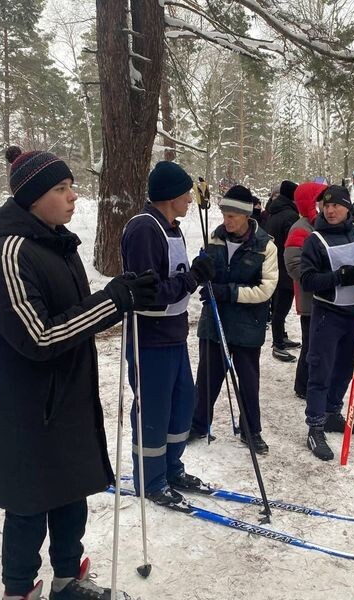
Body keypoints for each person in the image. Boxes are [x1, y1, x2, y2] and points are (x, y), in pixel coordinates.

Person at [0, 146, 159, 600]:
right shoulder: (8, 254)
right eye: (61, 188)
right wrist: (111, 303)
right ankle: (19, 590)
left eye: (71, 186)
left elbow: (72, 314)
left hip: (67, 399)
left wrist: (119, 294)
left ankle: (67, 580)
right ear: (33, 197)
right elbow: (38, 336)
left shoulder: (58, 244)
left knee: (70, 495)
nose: (73, 196)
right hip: (26, 410)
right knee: (28, 506)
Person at [120, 160, 216, 506]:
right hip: (150, 338)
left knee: (182, 404)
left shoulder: (170, 227)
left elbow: (175, 278)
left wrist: (197, 272)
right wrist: (192, 277)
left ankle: (172, 468)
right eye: (185, 193)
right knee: (154, 411)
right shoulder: (145, 229)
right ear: (170, 195)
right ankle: (151, 479)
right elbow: (149, 293)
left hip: (174, 335)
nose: (190, 199)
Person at [190, 185, 277, 454]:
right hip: (214, 322)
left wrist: (228, 292)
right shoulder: (214, 239)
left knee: (248, 382)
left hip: (247, 325)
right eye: (224, 215)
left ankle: (251, 430)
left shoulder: (265, 246)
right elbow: (203, 273)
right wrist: (199, 270)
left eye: (232, 216)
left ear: (246, 216)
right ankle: (198, 424)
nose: (226, 221)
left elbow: (266, 289)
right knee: (207, 378)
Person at [300, 185, 354, 460]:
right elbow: (308, 280)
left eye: (336, 205)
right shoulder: (315, 240)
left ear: (347, 207)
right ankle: (315, 426)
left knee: (346, 367)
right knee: (320, 370)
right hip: (328, 314)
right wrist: (343, 275)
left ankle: (332, 412)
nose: (330, 210)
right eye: (326, 206)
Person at [284, 181, 328, 399]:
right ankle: (303, 385)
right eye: (320, 199)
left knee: (319, 344)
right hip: (310, 298)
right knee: (311, 344)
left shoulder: (320, 224)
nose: (324, 204)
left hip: (325, 295)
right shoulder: (301, 228)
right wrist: (320, 277)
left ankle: (313, 382)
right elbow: (293, 265)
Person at [265, 180, 302, 362]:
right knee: (281, 308)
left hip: (274, 265)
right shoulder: (290, 216)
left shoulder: (273, 212)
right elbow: (292, 243)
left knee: (278, 306)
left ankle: (282, 337)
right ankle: (278, 345)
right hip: (285, 268)